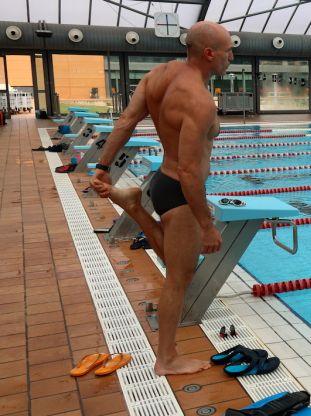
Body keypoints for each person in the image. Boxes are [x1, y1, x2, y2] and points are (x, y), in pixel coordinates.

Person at [90, 21, 233, 375]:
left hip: (162, 184)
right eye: (229, 50)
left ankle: (136, 206)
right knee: (178, 279)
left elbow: (125, 121)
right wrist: (207, 225)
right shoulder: (199, 101)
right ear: (209, 53)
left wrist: (103, 166)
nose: (232, 56)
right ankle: (166, 359)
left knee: (176, 261)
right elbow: (188, 172)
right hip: (182, 191)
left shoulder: (158, 75)